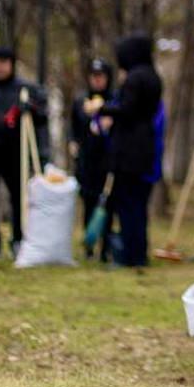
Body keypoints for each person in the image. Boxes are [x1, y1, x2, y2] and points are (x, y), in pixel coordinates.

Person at [95, 34, 162, 268]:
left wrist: (102, 109)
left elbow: (127, 110)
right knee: (138, 204)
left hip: (129, 149)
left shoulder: (135, 78)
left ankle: (130, 254)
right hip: (145, 146)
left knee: (128, 203)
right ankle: (139, 252)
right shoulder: (153, 77)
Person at [0, 47, 49, 257]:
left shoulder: (26, 89)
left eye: (3, 62)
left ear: (11, 64)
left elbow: (42, 117)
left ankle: (18, 239)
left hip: (15, 151)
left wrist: (31, 109)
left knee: (18, 197)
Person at [70, 58, 114, 260]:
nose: (97, 80)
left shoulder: (113, 102)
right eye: (93, 76)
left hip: (106, 160)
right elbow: (73, 127)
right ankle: (89, 245)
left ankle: (106, 247)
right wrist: (72, 142)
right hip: (86, 160)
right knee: (87, 201)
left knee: (106, 204)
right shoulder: (80, 101)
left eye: (101, 76)